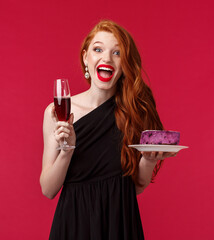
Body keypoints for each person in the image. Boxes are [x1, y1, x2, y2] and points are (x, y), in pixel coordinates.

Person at [40, 20, 177, 240]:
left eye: (117, 52)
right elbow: (48, 190)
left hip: (120, 222)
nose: (106, 58)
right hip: (75, 224)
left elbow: (137, 187)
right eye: (98, 49)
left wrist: (149, 159)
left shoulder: (134, 110)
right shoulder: (57, 112)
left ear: (124, 64)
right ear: (86, 57)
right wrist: (67, 150)